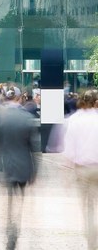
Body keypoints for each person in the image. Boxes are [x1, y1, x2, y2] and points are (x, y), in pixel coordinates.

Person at [0, 93, 38, 250]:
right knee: (20, 200)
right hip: (24, 166)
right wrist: (35, 171)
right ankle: (16, 226)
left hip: (7, 165)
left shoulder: (0, 118)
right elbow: (34, 147)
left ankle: (10, 231)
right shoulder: (26, 118)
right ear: (19, 99)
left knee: (9, 201)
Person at [63, 89, 98, 250]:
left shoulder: (74, 120)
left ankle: (91, 237)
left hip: (82, 170)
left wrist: (67, 175)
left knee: (87, 206)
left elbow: (69, 150)